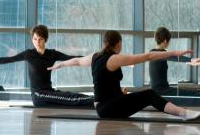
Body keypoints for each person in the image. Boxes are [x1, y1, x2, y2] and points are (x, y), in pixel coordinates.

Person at [50, 30, 200, 120]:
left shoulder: (95, 56)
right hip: (108, 108)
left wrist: (60, 64)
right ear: (118, 44)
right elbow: (148, 56)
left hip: (103, 107)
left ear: (104, 43)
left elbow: (77, 61)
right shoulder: (114, 58)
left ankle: (184, 113)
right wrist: (175, 53)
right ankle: (184, 113)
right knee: (149, 95)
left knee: (139, 95)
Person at [0, 25, 94, 107]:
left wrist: (95, 58)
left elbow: (74, 58)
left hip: (49, 92)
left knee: (72, 95)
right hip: (38, 95)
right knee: (72, 99)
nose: (37, 42)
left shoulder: (52, 54)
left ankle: (97, 99)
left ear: (45, 40)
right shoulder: (29, 54)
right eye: (35, 39)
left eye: (40, 39)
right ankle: (96, 102)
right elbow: (7, 59)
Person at [149, 27, 196, 96]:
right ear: (165, 41)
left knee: (193, 93)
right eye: (169, 41)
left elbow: (171, 56)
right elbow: (173, 57)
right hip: (160, 91)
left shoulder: (153, 52)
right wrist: (191, 60)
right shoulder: (158, 54)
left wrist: (190, 60)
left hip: (160, 89)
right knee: (194, 94)